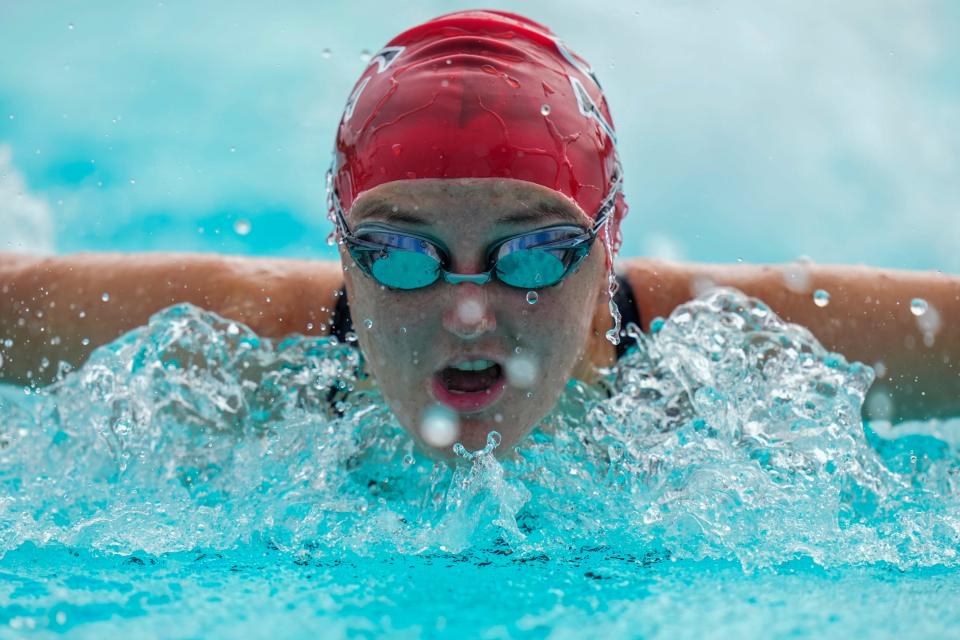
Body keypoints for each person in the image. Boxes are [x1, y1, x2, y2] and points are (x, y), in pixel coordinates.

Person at [0, 10, 958, 455]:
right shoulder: (249, 341)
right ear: (342, 250)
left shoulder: (731, 352)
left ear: (609, 244)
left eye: (534, 253)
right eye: (401, 255)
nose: (466, 312)